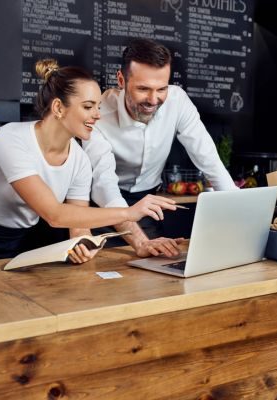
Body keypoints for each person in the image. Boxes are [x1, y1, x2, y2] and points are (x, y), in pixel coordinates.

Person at [0, 59, 178, 261]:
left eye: (98, 107)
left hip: (31, 241)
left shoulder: (80, 160)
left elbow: (78, 221)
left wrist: (82, 243)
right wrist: (130, 212)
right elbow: (54, 214)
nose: (97, 115)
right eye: (88, 107)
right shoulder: (11, 139)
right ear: (59, 108)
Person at [82, 38, 238, 251]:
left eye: (161, 89)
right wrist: (140, 242)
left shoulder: (178, 101)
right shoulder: (98, 115)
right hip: (103, 208)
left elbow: (208, 159)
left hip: (148, 203)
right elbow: (104, 186)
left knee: (152, 271)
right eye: (143, 89)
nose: (153, 100)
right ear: (121, 80)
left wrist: (240, 215)